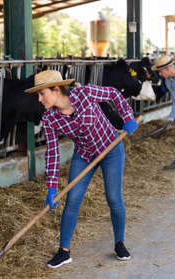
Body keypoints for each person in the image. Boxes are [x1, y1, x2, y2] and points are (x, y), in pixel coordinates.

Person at [25, 70, 138, 269]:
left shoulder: (85, 94)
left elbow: (113, 93)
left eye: (42, 93)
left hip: (111, 149)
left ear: (57, 89)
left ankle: (119, 243)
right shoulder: (50, 119)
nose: (39, 99)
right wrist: (52, 187)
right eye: (38, 95)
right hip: (84, 156)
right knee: (73, 199)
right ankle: (64, 252)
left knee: (113, 197)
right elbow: (53, 153)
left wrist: (127, 116)